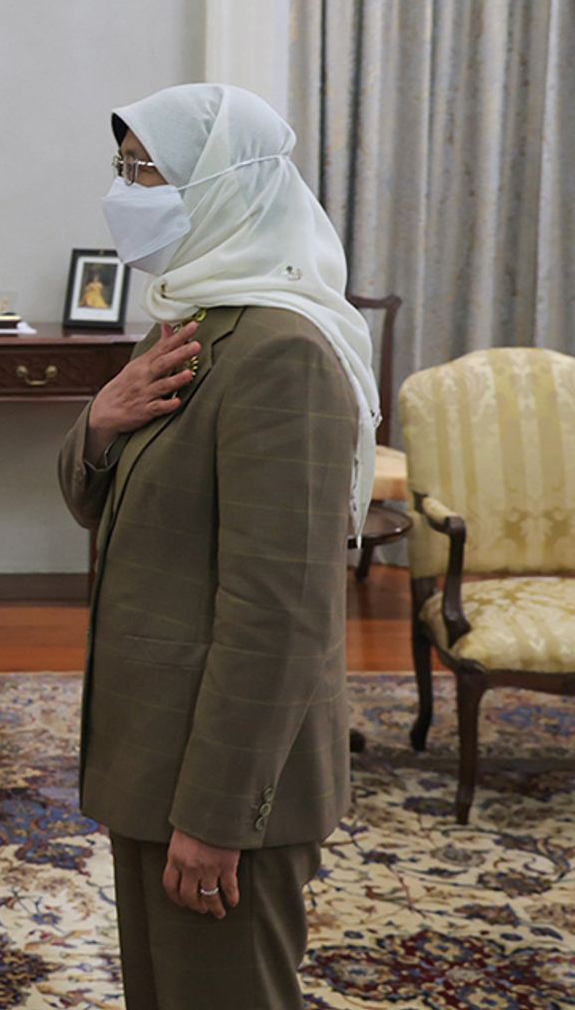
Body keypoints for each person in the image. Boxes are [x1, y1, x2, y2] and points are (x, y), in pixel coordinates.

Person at [57, 84, 378, 1008]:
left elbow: (279, 617)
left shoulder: (283, 354)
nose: (126, 193)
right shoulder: (192, 325)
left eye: (145, 172)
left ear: (222, 186)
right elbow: (100, 507)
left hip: (225, 781)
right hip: (157, 754)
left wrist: (216, 815)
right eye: (121, 171)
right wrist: (99, 423)